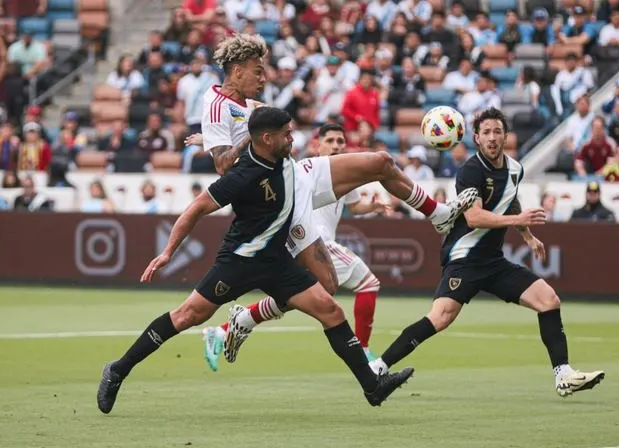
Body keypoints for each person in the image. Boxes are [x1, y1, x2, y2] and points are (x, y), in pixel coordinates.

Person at [97, 107, 415, 415]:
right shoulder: (244, 175)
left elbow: (248, 121)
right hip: (239, 261)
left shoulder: (285, 162)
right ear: (266, 138)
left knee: (330, 310)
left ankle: (372, 386)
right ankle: (118, 369)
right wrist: (168, 252)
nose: (293, 139)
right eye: (286, 134)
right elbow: (196, 208)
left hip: (276, 261)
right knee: (186, 317)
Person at [190, 33, 477, 363]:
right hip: (278, 202)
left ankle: (438, 213)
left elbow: (258, 134)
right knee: (324, 286)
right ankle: (240, 321)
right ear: (237, 70)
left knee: (381, 161)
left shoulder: (250, 104)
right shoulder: (216, 105)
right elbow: (224, 165)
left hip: (298, 175)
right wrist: (248, 136)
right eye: (258, 70)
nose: (264, 77)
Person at [367, 108, 605, 397]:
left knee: (549, 300)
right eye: (486, 133)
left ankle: (563, 374)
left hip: (493, 261)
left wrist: (528, 236)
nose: (492, 138)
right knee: (441, 317)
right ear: (476, 138)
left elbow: (509, 200)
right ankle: (379, 367)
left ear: (505, 136)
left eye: (497, 131)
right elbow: (474, 218)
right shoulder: (470, 171)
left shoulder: (515, 169)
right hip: (465, 257)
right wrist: (519, 222)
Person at [200, 124, 390, 369]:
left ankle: (229, 327)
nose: (336, 146)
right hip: (313, 243)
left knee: (298, 296)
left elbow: (353, 206)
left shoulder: (343, 174)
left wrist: (371, 207)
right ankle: (363, 352)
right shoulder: (305, 171)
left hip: (313, 245)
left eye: (340, 141)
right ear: (316, 145)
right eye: (330, 141)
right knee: (367, 283)